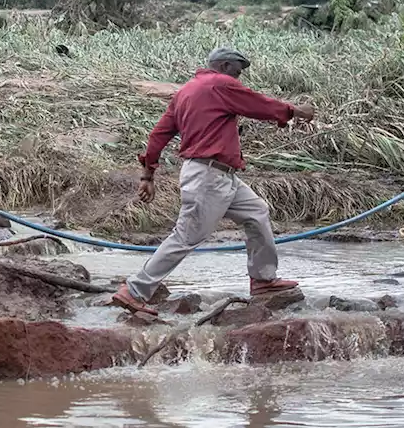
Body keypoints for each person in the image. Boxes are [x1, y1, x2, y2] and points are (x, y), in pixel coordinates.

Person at [112, 47, 315, 316]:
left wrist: (148, 174)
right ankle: (135, 290)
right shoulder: (220, 84)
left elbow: (158, 134)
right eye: (238, 72)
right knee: (186, 236)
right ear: (226, 66)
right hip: (208, 176)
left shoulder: (185, 92)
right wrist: (296, 111)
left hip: (221, 175)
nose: (239, 78)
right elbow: (259, 104)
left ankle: (263, 279)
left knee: (257, 212)